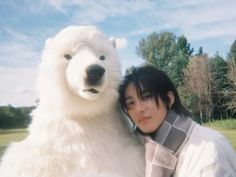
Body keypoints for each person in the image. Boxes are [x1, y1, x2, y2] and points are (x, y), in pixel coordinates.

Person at [119, 65, 236, 177]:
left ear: (169, 99)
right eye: (131, 103)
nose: (139, 109)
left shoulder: (208, 148)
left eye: (146, 96)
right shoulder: (140, 151)